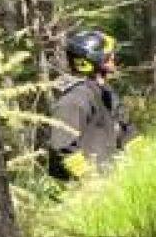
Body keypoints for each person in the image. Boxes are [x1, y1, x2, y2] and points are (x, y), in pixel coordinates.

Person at [42, 28, 135, 183]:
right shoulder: (73, 101)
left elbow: (129, 134)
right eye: (107, 56)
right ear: (88, 62)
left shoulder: (107, 95)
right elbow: (62, 148)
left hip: (118, 184)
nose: (113, 57)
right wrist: (91, 183)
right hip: (91, 194)